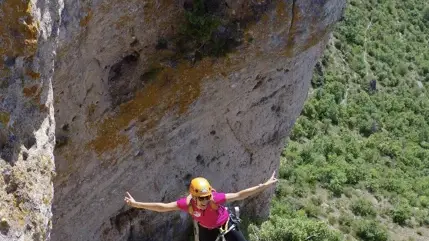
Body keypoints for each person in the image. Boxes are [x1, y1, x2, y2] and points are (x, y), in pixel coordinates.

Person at [124, 171, 278, 241]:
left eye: (207, 197)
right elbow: (163, 207)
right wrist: (137, 204)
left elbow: (240, 194)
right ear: (194, 197)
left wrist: (263, 186)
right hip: (206, 228)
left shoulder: (214, 199)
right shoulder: (187, 204)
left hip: (225, 224)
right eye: (202, 198)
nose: (205, 200)